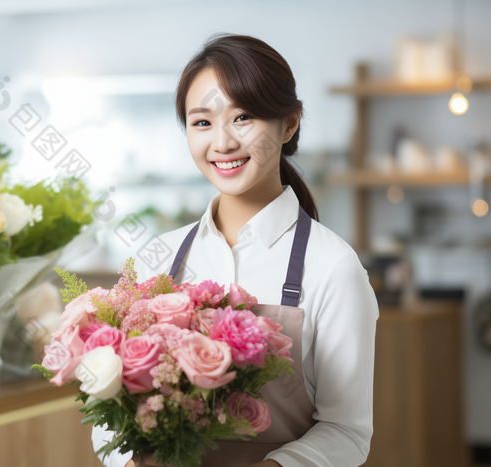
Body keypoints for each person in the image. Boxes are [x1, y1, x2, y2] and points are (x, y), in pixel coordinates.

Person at [91, 33, 379, 467]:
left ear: (289, 123)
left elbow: (347, 432)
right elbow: (110, 406)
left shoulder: (334, 268)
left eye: (243, 117)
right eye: (202, 122)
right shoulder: (159, 257)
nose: (222, 143)